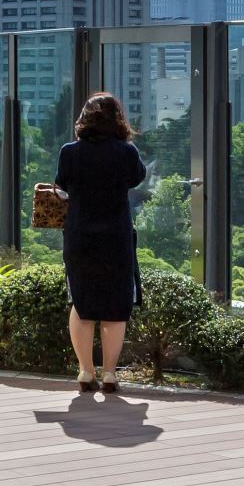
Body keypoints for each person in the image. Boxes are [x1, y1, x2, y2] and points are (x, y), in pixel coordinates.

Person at [55, 92, 148, 395]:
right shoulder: (126, 152)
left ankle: (85, 371)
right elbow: (136, 179)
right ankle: (109, 374)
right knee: (115, 305)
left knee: (81, 302)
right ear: (117, 119)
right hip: (115, 237)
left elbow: (63, 184)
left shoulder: (70, 152)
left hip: (80, 236)